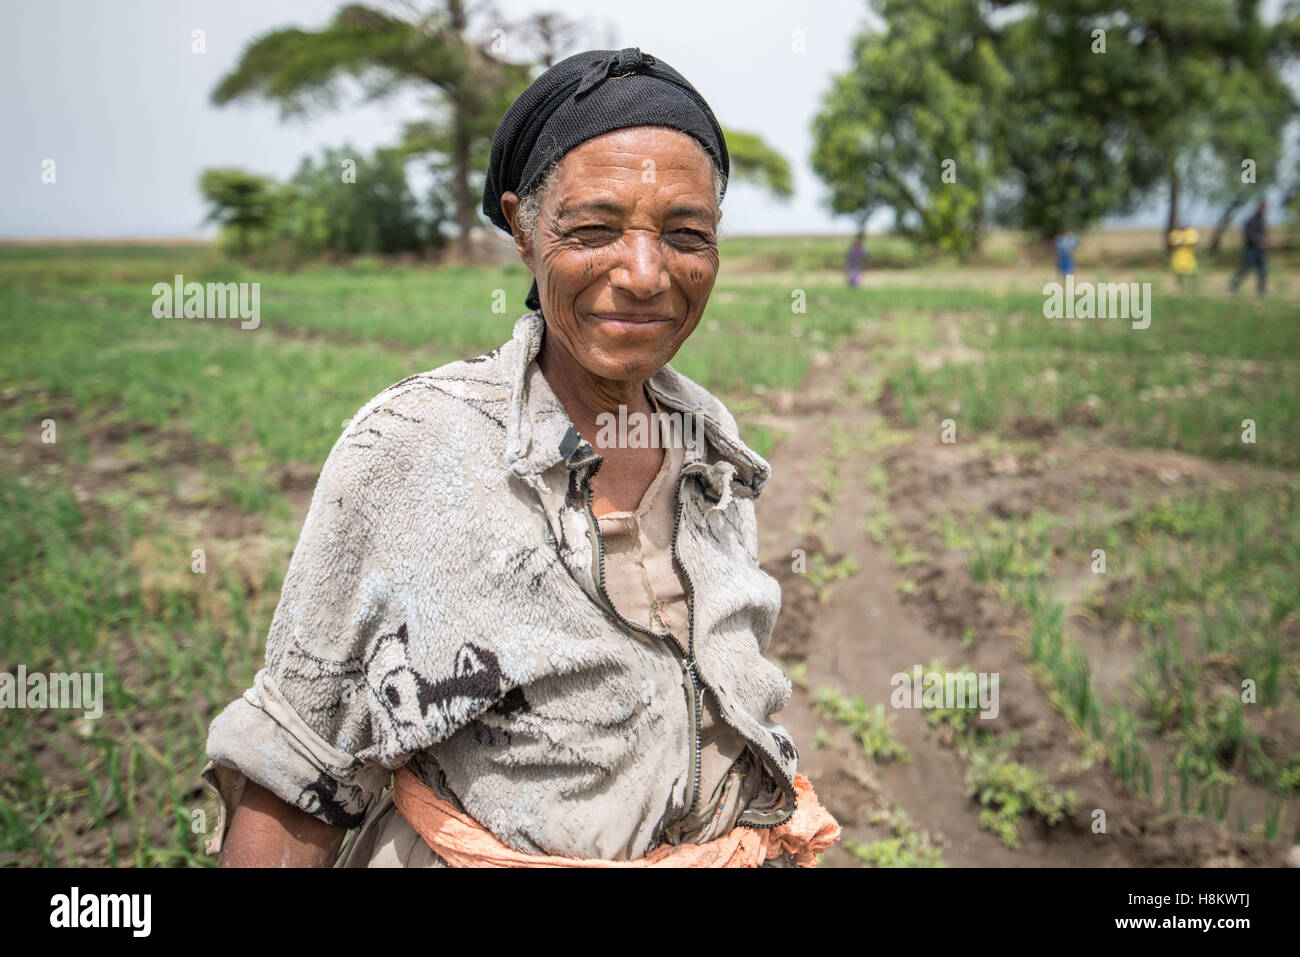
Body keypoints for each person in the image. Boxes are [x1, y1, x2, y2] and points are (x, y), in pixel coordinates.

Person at [201, 47, 840, 868]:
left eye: (686, 235)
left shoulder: (710, 443)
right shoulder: (412, 445)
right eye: (594, 228)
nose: (646, 275)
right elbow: (296, 768)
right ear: (523, 230)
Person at [1229, 200, 1267, 296]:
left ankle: (1261, 292)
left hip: (1260, 251)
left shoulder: (1262, 220)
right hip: (1250, 251)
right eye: (1262, 208)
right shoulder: (1251, 220)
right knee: (1245, 270)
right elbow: (1248, 235)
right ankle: (1233, 286)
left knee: (1262, 271)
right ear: (1259, 208)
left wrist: (1264, 241)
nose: (1264, 210)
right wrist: (1258, 240)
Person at [1168, 224, 1198, 290]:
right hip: (1178, 257)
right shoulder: (1175, 233)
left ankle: (1193, 287)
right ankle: (1179, 288)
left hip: (1189, 256)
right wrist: (1182, 242)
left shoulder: (1191, 232)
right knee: (1178, 273)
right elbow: (1173, 245)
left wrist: (1183, 241)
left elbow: (1193, 243)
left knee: (1192, 272)